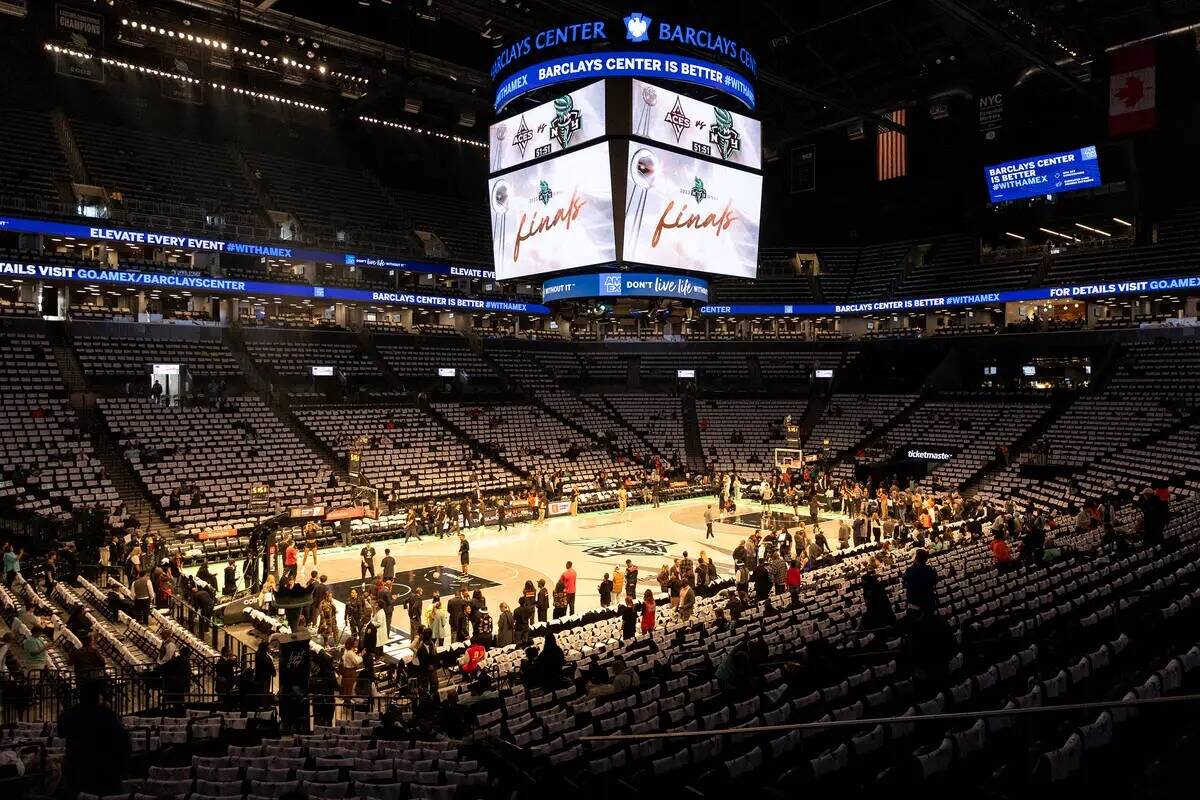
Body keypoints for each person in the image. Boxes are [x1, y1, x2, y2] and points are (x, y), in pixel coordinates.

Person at [58, 682, 131, 800]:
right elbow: (123, 743)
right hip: (105, 773)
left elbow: (61, 733)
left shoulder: (68, 715)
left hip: (77, 771)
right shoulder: (108, 716)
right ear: (98, 697)